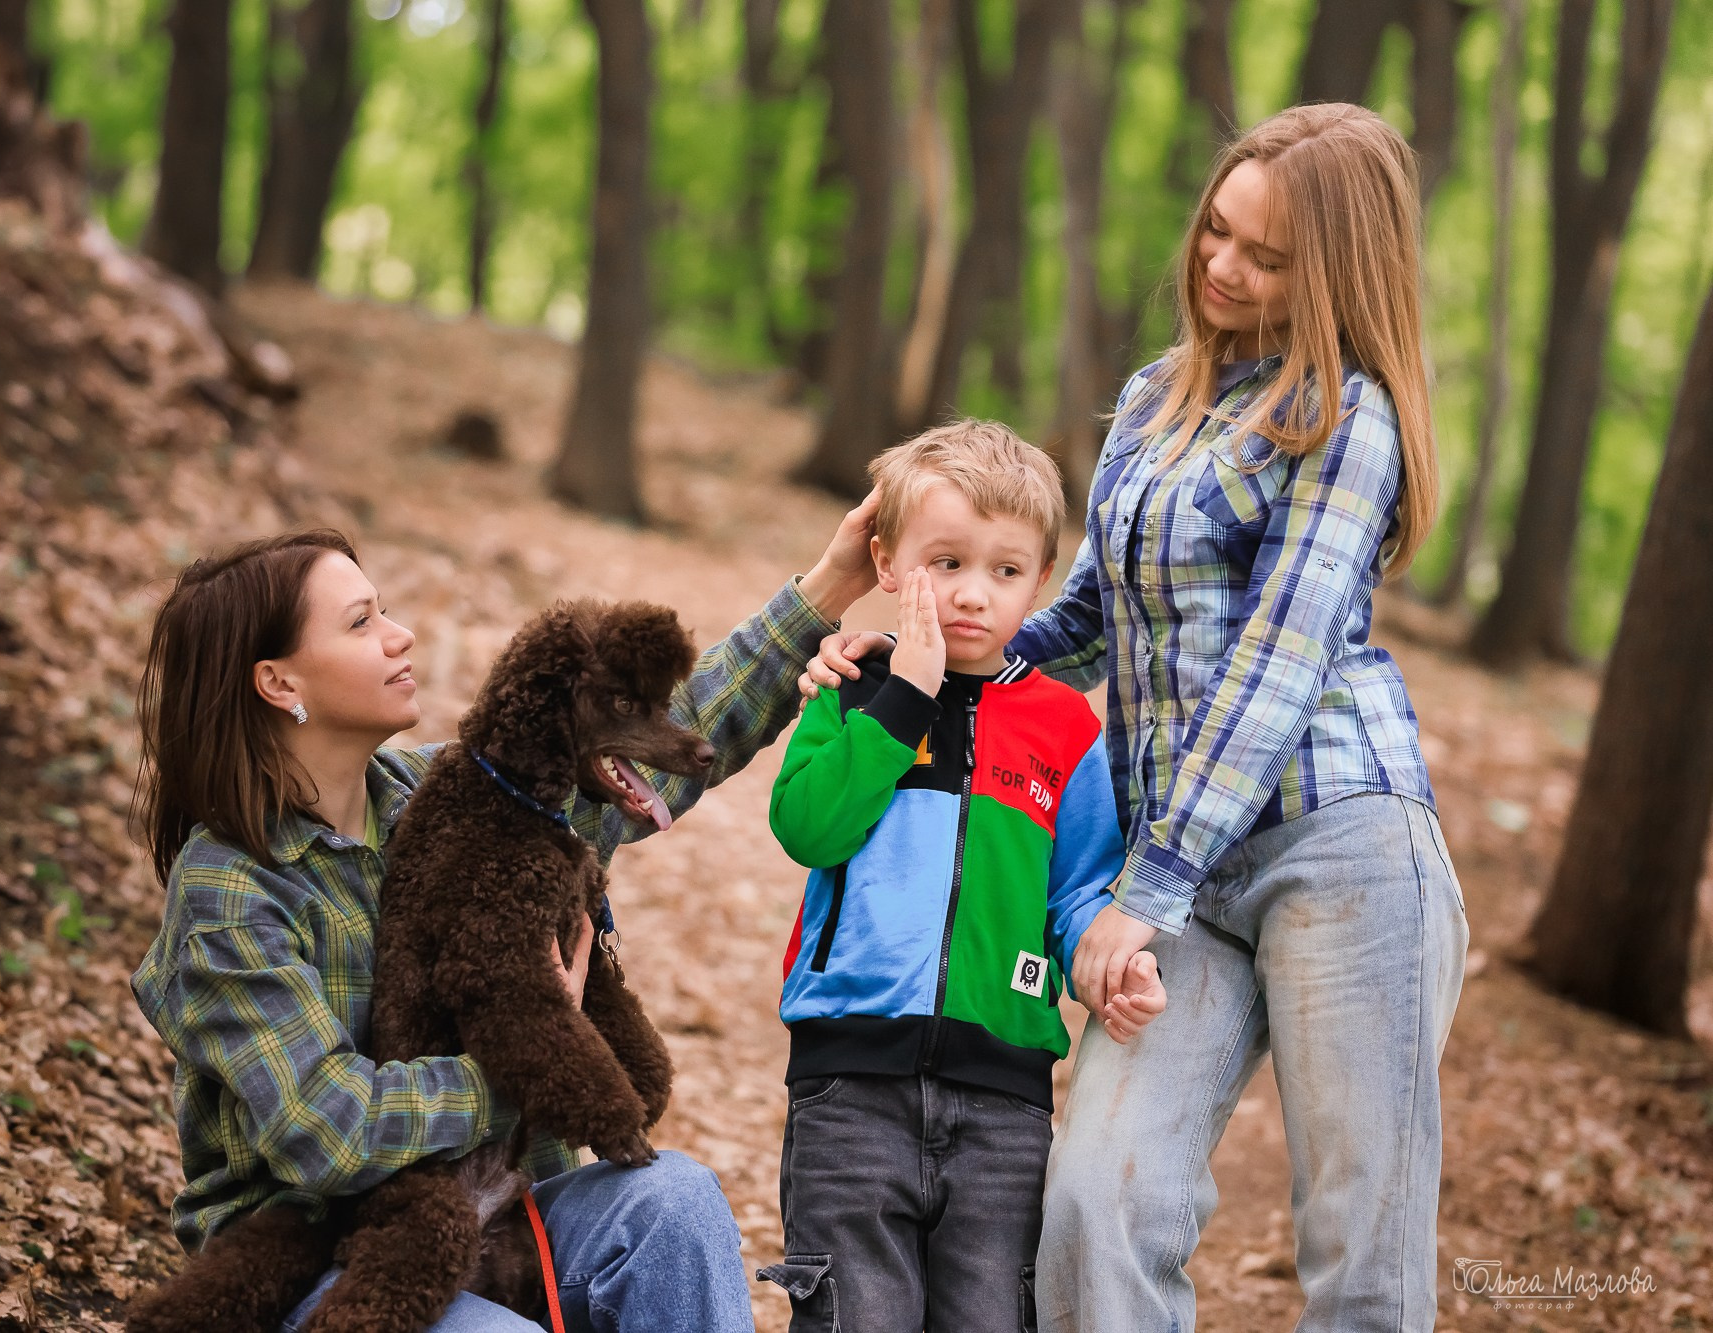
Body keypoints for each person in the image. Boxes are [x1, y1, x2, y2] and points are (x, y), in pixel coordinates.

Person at [802, 104, 1468, 1332]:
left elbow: (1273, 670)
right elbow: (1086, 617)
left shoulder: (1350, 420)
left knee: (1357, 1251)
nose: (1221, 265)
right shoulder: (1155, 397)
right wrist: (919, 661)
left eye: (1266, 258)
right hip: (1183, 873)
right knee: (1091, 1205)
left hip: (1339, 847)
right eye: (1217, 229)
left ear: (1336, 274)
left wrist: (1139, 893)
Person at [129, 508, 880, 1333]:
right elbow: (328, 1128)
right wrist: (534, 1057)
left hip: (510, 1210)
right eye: (361, 622)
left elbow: (648, 730)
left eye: (385, 610)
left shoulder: (447, 793)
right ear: (280, 683)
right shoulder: (231, 888)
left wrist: (836, 580)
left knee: (675, 1196)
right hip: (327, 1264)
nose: (401, 635)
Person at [760, 422, 1166, 1332]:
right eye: (945, 563)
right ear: (887, 562)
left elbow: (1078, 891)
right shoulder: (852, 687)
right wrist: (903, 693)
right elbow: (809, 826)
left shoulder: (1067, 727)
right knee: (855, 1313)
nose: (972, 593)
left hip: (1004, 1101)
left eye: (1005, 570)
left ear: (1041, 578)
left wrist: (1112, 965)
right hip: (850, 1081)